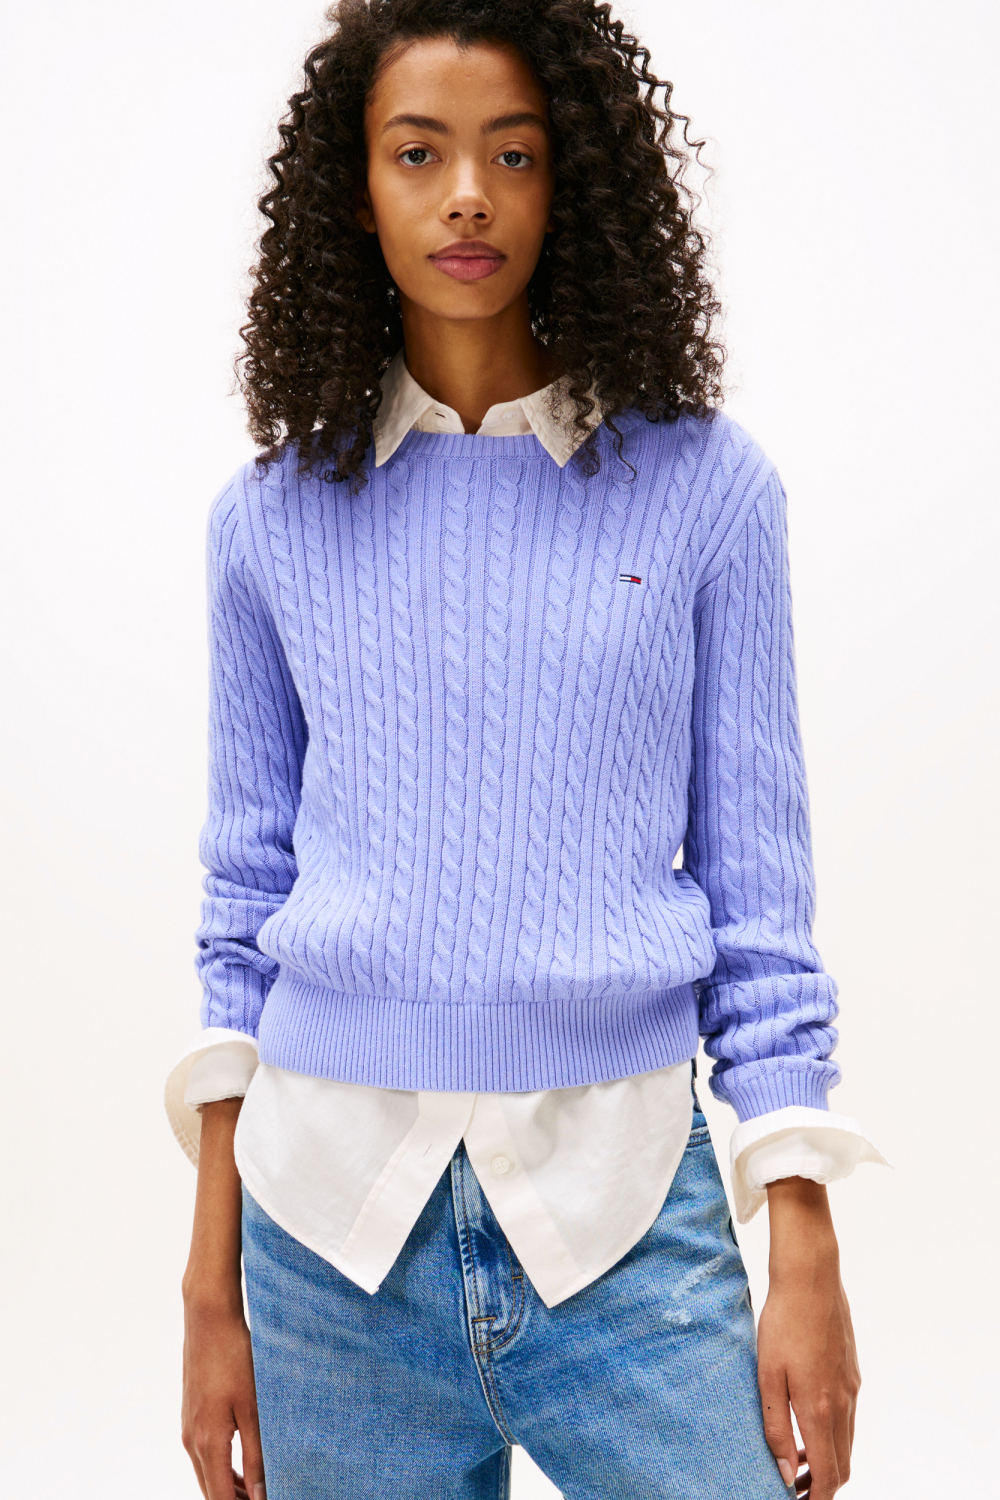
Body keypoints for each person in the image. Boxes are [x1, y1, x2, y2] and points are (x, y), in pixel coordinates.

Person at [166, 2, 886, 1496]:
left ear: (576, 184)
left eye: (514, 153)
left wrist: (802, 1243)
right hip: (326, 1246)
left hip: (628, 1221)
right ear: (353, 189)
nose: (468, 196)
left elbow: (760, 901)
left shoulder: (708, 493)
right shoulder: (268, 520)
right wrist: (208, 1289)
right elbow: (242, 913)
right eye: (417, 153)